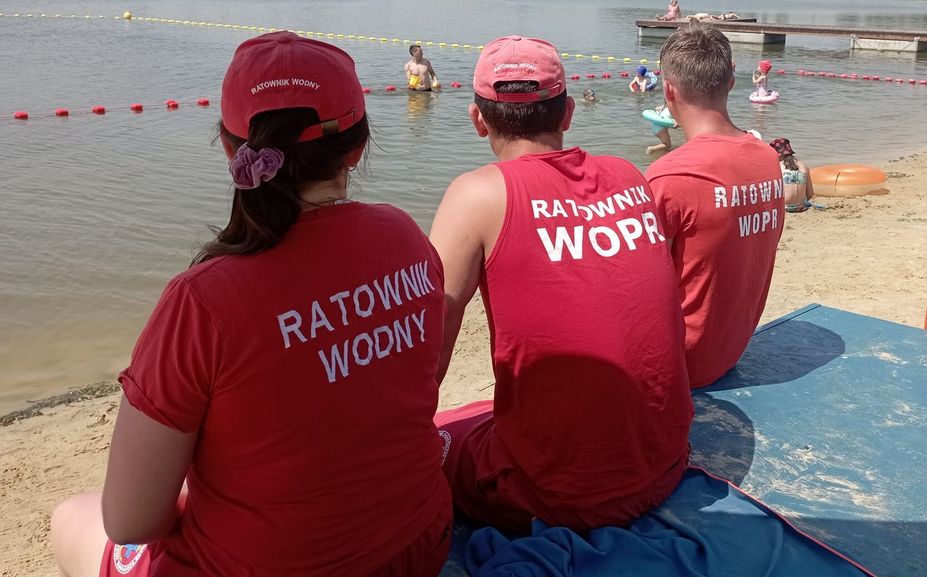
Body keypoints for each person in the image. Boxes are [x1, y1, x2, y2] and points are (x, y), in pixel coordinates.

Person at [50, 32, 453, 576]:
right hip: (418, 548)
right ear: (357, 148)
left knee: (69, 517)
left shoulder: (203, 300)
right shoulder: (405, 236)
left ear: (228, 148)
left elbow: (131, 521)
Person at [429, 35, 693, 533]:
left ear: (477, 119)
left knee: (437, 436)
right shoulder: (628, 175)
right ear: (567, 113)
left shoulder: (477, 194)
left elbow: (430, 334)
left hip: (555, 495)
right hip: (663, 463)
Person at [646, 24, 784, 388]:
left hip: (682, 364)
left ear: (668, 89)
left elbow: (639, 291)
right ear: (731, 82)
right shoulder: (768, 159)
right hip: (729, 349)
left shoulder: (669, 176)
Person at [771, 137, 814, 213]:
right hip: (800, 206)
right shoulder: (803, 166)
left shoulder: (777, 167)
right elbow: (810, 194)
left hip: (784, 207)